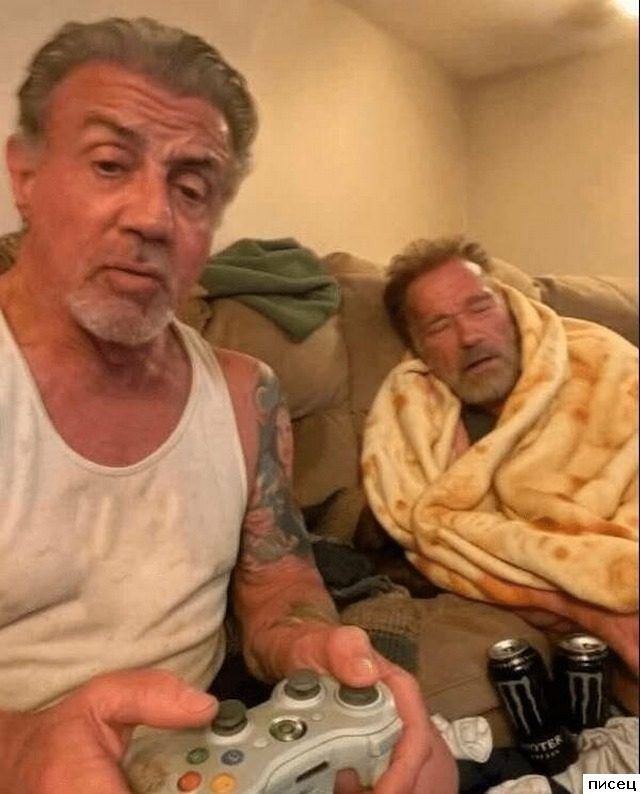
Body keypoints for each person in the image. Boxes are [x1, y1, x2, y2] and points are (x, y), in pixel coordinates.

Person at [0, 18, 457, 793]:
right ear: (26, 175)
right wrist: (22, 752)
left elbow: (278, 585)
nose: (153, 216)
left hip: (213, 758)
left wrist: (316, 651)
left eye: (192, 189)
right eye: (110, 163)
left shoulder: (249, 394)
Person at [362, 236, 638, 678]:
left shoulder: (600, 360)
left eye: (480, 307)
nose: (470, 336)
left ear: (511, 308)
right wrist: (596, 612)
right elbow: (455, 549)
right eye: (439, 326)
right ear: (419, 350)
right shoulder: (423, 434)